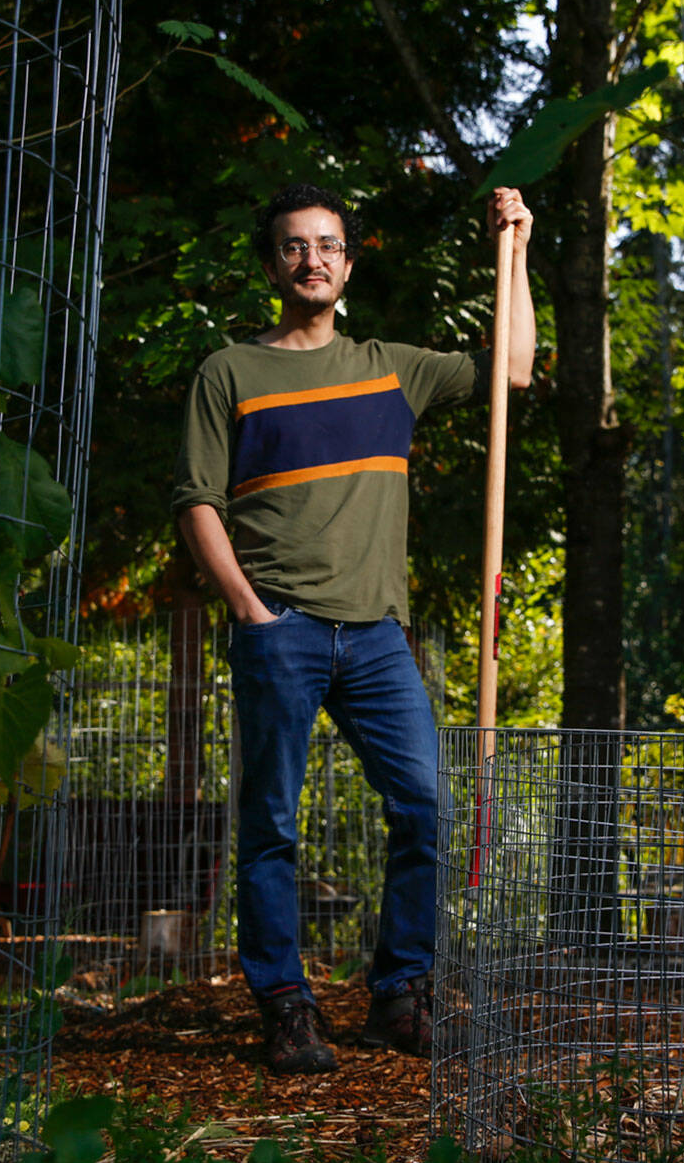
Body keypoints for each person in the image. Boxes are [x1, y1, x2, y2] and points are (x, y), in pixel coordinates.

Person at [171, 181, 535, 1074]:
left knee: (425, 806)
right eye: (295, 246)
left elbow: (514, 368)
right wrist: (251, 611)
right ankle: (286, 1004)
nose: (313, 259)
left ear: (348, 260)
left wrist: (517, 247)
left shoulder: (391, 368)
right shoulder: (230, 371)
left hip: (377, 636)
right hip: (280, 630)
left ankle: (398, 996)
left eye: (327, 245)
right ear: (273, 265)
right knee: (270, 826)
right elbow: (196, 502)